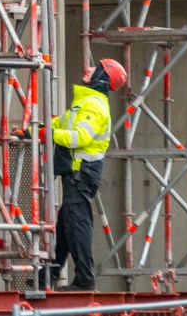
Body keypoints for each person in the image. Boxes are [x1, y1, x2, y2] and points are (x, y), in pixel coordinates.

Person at [43, 59, 127, 291]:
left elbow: (78, 138)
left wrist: (50, 134)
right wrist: (32, 130)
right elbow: (57, 124)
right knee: (66, 225)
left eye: (94, 68)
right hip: (76, 174)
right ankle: (47, 274)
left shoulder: (94, 106)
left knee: (77, 223)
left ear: (102, 77)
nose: (88, 68)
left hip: (82, 174)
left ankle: (84, 281)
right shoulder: (83, 104)